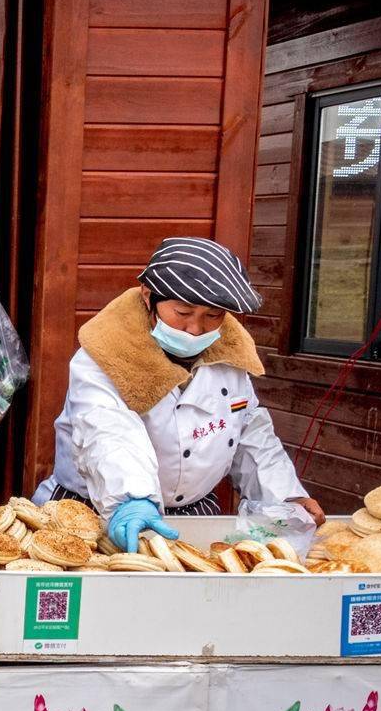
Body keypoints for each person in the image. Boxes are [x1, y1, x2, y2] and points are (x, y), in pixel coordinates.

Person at [34, 236, 324, 550]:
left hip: (195, 517)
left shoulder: (229, 356)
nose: (195, 329)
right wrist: (131, 499)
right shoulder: (104, 355)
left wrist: (285, 496)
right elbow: (107, 431)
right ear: (149, 296)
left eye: (212, 316)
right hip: (97, 513)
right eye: (183, 312)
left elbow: (250, 435)